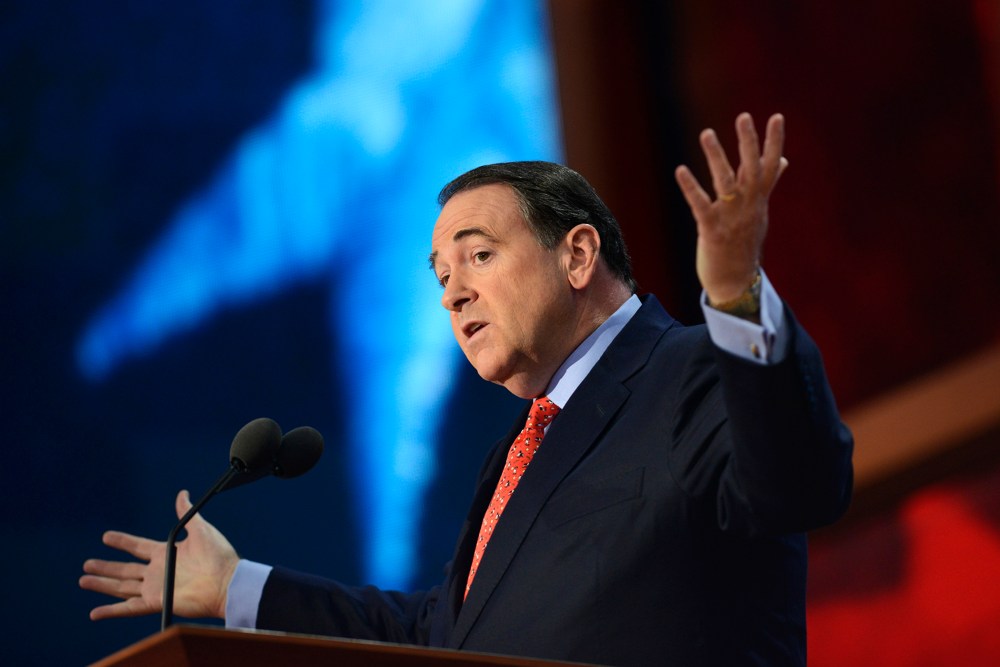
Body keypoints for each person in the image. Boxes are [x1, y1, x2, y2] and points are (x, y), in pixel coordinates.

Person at [80, 113, 853, 666]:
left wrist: (737, 298)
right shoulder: (515, 454)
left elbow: (799, 483)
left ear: (577, 254)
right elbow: (442, 637)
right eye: (441, 275)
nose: (451, 294)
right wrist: (239, 588)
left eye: (477, 256)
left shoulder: (689, 368)